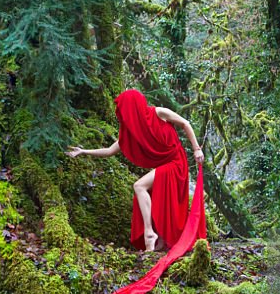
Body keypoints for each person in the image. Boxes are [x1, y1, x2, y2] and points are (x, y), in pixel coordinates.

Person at [67, 89, 206, 252]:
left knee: (139, 186)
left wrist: (196, 149)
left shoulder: (159, 113)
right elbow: (109, 151)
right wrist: (84, 151)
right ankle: (160, 241)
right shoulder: (132, 133)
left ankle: (149, 234)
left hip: (177, 164)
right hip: (165, 167)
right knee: (155, 197)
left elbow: (185, 123)